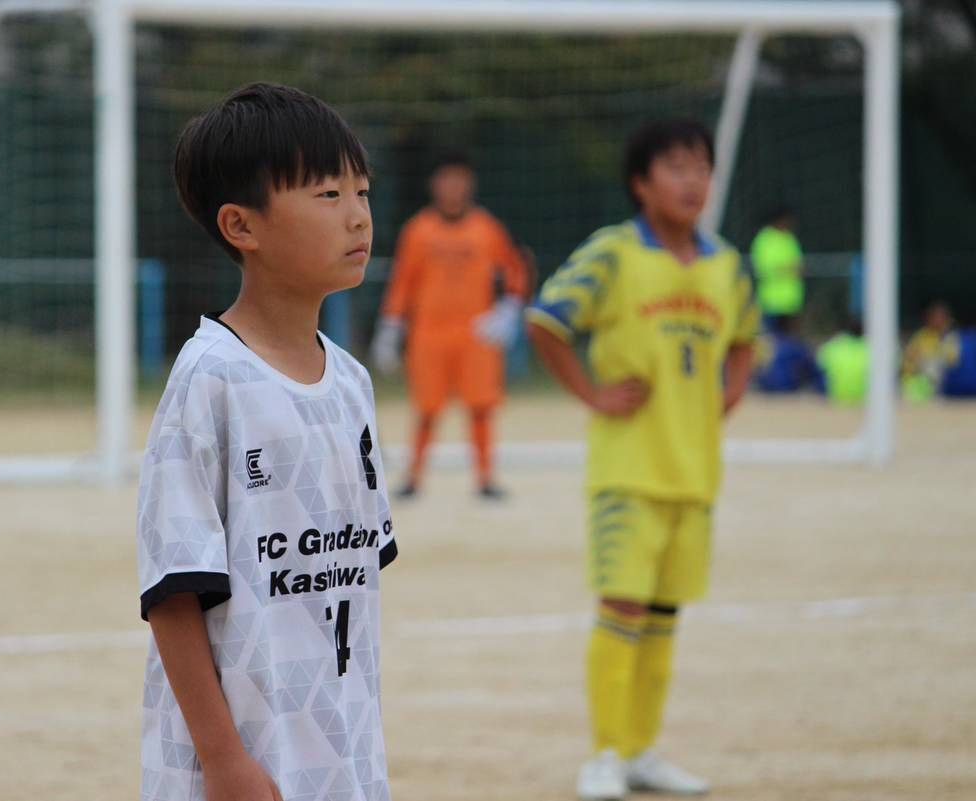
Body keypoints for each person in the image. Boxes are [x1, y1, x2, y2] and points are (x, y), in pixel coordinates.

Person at [136, 83, 398, 801]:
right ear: (241, 226)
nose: (357, 216)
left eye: (362, 192)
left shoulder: (352, 383)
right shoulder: (210, 380)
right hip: (241, 762)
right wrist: (225, 762)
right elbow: (173, 595)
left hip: (342, 755)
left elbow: (349, 582)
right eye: (327, 194)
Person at [526, 119, 758, 800]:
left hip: (695, 472)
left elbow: (746, 336)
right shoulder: (614, 253)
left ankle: (641, 750)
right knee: (622, 606)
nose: (693, 181)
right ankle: (603, 753)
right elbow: (546, 320)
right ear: (641, 182)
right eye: (676, 167)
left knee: (663, 616)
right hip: (627, 471)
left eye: (701, 167)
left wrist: (732, 388)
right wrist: (591, 393)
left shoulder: (727, 264)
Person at [371, 153, 530, 499]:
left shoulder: (487, 228)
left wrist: (508, 308)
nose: (453, 187)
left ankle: (486, 479)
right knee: (426, 409)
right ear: (435, 185)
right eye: (447, 179)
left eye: (460, 179)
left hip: (476, 334)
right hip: (428, 334)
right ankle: (413, 479)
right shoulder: (418, 230)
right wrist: (390, 327)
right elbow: (403, 283)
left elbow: (515, 268)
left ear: (470, 184)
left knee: (481, 407)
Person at [750, 206, 804, 330]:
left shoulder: (790, 238)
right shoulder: (764, 239)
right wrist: (788, 270)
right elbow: (763, 268)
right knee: (769, 337)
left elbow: (798, 265)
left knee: (789, 338)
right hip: (771, 302)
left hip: (791, 302)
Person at [901, 301, 958, 402]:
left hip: (946, 386)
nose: (937, 320)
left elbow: (953, 363)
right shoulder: (921, 337)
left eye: (941, 317)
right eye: (935, 317)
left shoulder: (951, 337)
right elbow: (908, 363)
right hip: (921, 384)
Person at [752, 315, 823, 394]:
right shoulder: (796, 345)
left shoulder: (763, 342)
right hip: (787, 387)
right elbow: (812, 371)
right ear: (790, 323)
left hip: (766, 386)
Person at [817, 319, 869, 406]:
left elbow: (818, 376)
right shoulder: (877, 349)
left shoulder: (830, 347)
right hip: (867, 403)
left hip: (836, 402)